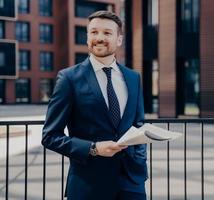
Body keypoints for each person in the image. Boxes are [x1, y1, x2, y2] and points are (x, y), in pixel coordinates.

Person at [42, 10, 147, 200]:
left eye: (107, 33)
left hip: (132, 183)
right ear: (87, 37)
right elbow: (50, 136)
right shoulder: (69, 78)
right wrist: (94, 148)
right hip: (88, 185)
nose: (99, 38)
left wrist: (140, 159)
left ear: (119, 40)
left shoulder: (133, 77)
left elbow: (138, 125)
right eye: (94, 32)